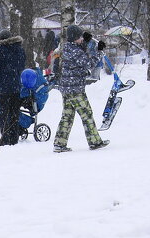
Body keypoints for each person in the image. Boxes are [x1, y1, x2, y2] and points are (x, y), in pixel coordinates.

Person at [52, 25, 109, 153]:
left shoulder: (69, 48)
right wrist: (99, 52)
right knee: (86, 114)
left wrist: (87, 42)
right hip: (75, 89)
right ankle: (94, 142)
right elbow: (88, 64)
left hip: (67, 88)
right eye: (80, 37)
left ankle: (59, 143)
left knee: (67, 116)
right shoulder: (75, 51)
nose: (81, 39)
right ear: (74, 38)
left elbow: (82, 53)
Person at [0, 30, 25, 145]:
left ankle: (5, 137)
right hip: (15, 84)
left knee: (3, 113)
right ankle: (14, 138)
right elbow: (22, 64)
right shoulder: (19, 49)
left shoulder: (0, 50)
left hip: (3, 85)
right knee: (15, 112)